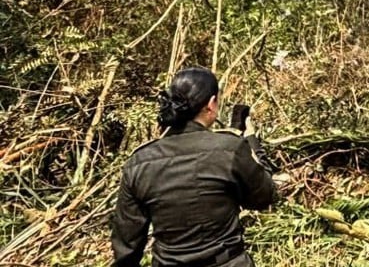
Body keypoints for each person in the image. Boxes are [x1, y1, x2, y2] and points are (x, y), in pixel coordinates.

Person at [110, 67, 276, 267]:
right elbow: (264, 196)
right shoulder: (230, 149)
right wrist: (251, 143)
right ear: (211, 104)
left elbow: (127, 245)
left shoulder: (139, 162)